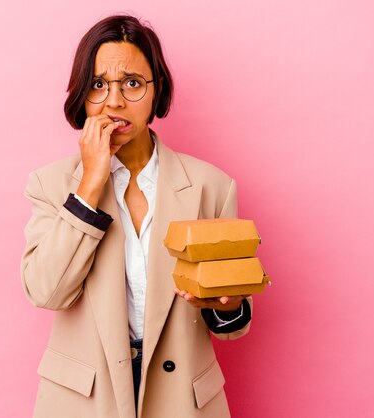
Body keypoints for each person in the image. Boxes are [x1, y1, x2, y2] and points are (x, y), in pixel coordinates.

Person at [21, 14, 254, 418]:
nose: (114, 102)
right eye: (98, 85)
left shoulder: (211, 186)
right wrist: (89, 186)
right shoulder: (50, 184)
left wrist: (229, 304)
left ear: (156, 89)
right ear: (82, 95)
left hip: (183, 397)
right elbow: (46, 291)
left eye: (132, 83)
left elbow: (232, 323)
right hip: (84, 400)